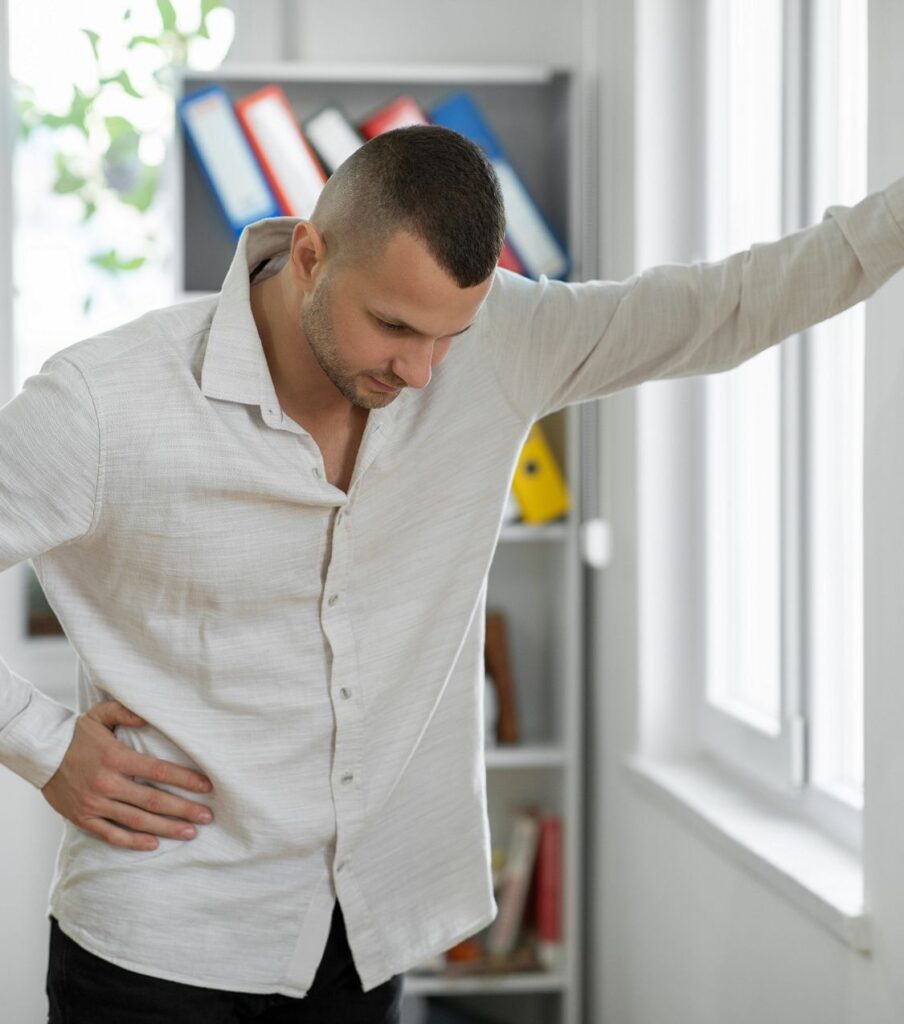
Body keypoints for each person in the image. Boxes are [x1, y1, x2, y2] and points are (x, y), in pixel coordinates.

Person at [1, 122, 903, 1023]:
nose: (422, 370)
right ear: (309, 255)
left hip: (364, 940)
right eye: (393, 325)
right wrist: (43, 746)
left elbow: (726, 307)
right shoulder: (102, 403)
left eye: (449, 334)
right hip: (157, 943)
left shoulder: (498, 346)